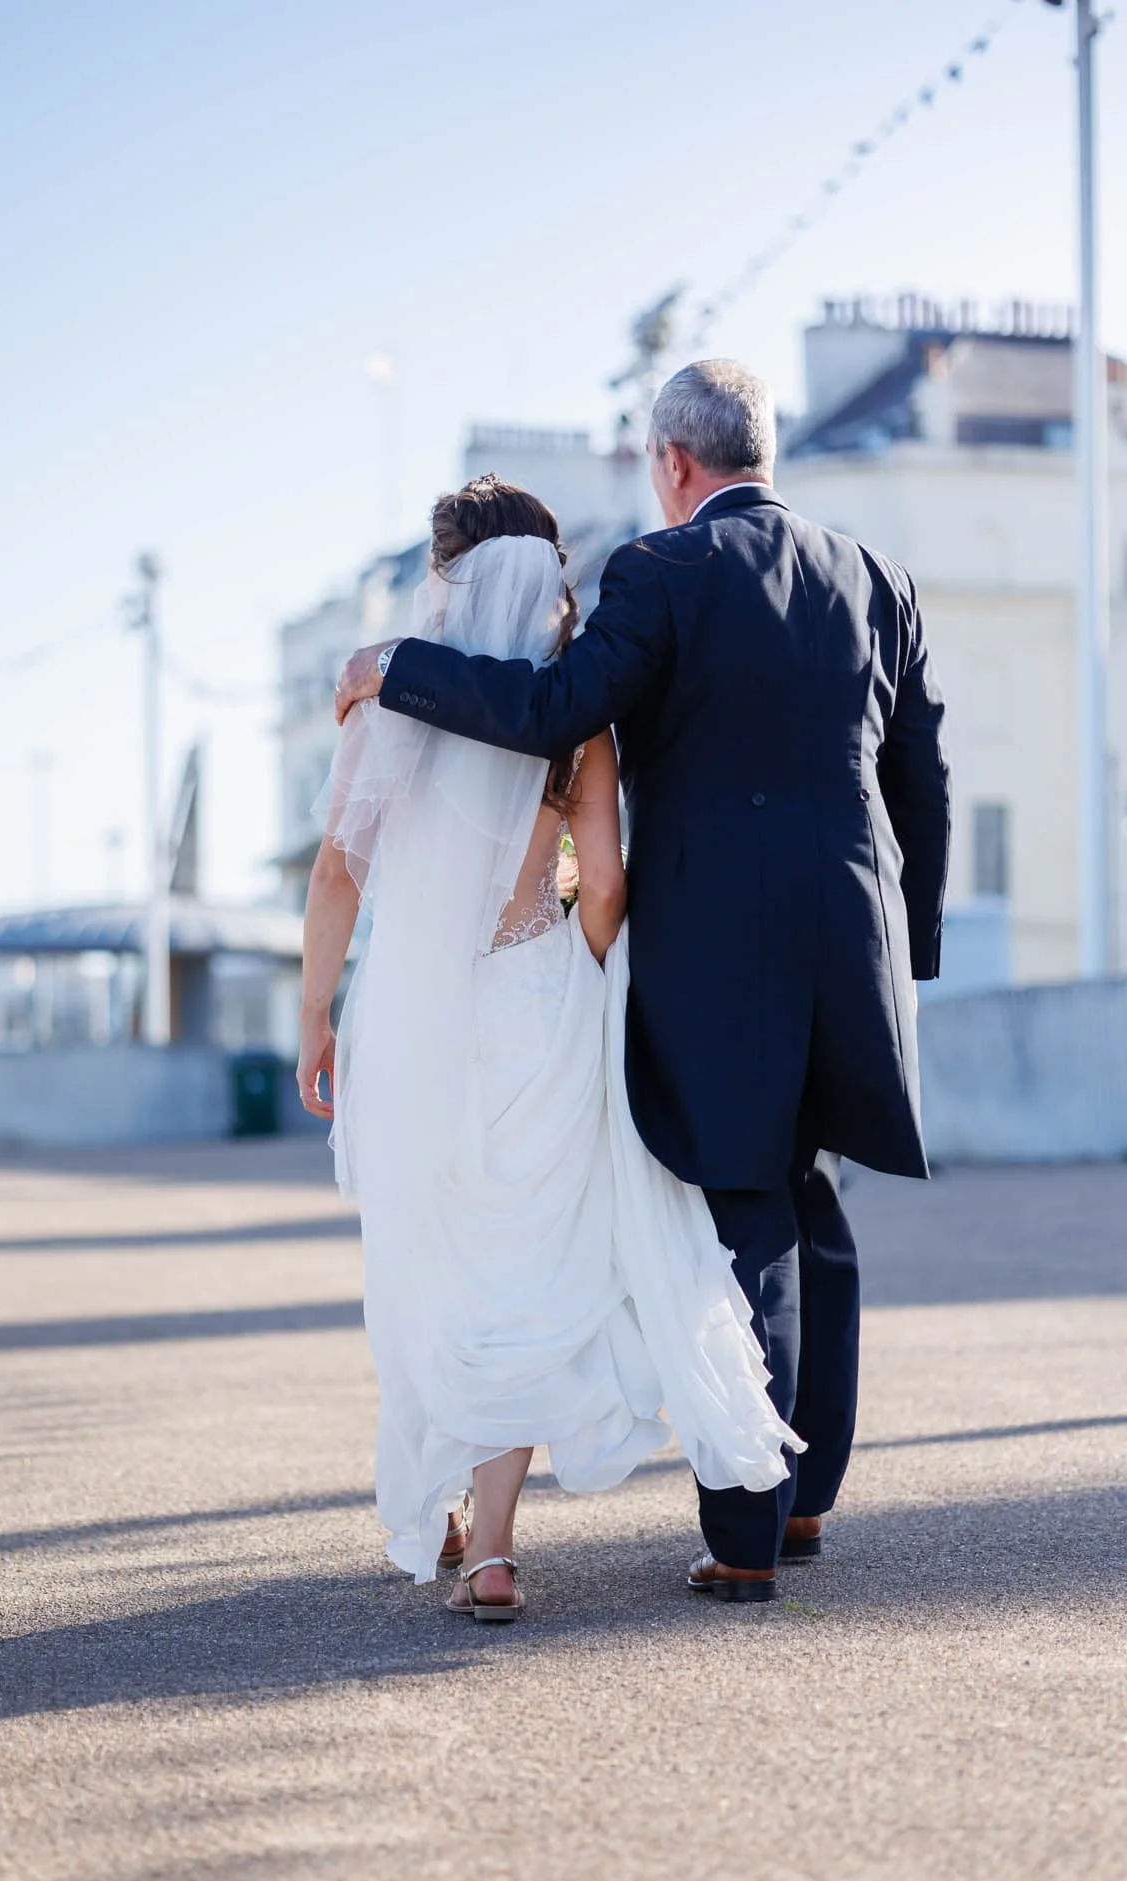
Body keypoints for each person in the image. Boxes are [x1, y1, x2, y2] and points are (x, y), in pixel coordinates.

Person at [334, 360, 952, 1601]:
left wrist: (398, 666)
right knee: (814, 1207)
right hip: (849, 940)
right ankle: (805, 1498)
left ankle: (748, 1531)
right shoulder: (876, 577)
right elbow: (921, 781)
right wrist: (909, 949)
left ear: (673, 462)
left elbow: (554, 706)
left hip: (721, 952)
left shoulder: (663, 571)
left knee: (749, 1210)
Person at [301, 475, 801, 1620]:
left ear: (447, 581)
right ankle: (493, 1548)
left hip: (417, 1010)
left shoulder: (385, 701)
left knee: (429, 1256)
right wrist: (573, 948)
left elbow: (338, 872)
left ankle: (440, 1501)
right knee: (517, 1268)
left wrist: (316, 1014)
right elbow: (604, 883)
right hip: (536, 1001)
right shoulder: (575, 723)